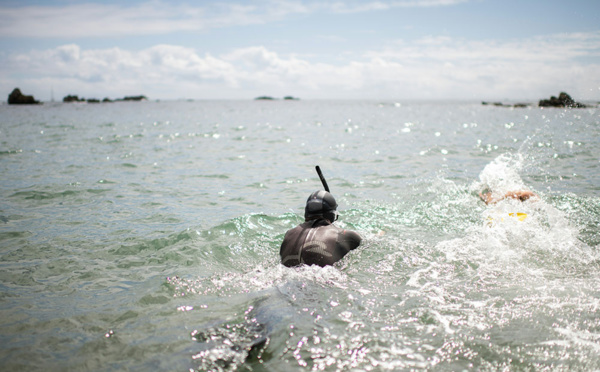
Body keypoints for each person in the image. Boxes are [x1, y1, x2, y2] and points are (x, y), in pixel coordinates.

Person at [280, 190, 362, 267]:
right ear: (332, 215)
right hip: (321, 277)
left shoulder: (289, 234)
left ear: (306, 213)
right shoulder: (343, 235)